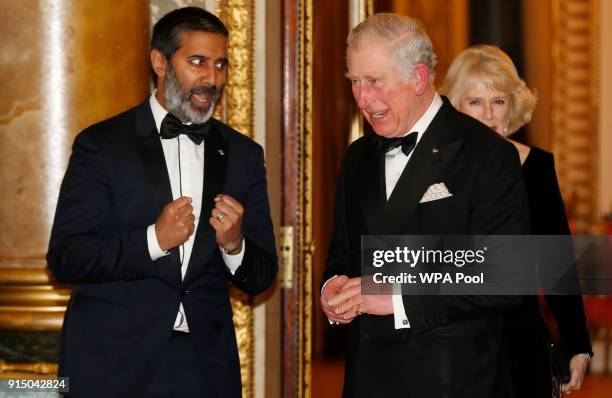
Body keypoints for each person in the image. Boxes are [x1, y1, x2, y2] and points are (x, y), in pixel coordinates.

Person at [46, 7, 277, 398]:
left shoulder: (243, 155)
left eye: (221, 65)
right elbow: (66, 257)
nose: (212, 78)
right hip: (113, 366)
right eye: (198, 62)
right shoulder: (101, 146)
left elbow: (262, 275)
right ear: (159, 61)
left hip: (204, 369)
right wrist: (154, 239)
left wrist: (235, 246)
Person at [320, 14, 530, 397]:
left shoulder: (487, 155)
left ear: (418, 79)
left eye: (375, 81)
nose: (363, 99)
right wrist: (333, 286)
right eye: (355, 82)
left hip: (453, 380)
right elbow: (344, 254)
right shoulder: (357, 157)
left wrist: (399, 296)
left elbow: (506, 277)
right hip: (368, 378)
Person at [440, 44, 593, 397]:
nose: (489, 115)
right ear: (456, 107)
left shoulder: (536, 167)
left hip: (520, 338)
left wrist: (578, 345)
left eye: (499, 101)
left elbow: (558, 262)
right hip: (452, 339)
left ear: (513, 106)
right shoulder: (436, 169)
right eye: (475, 102)